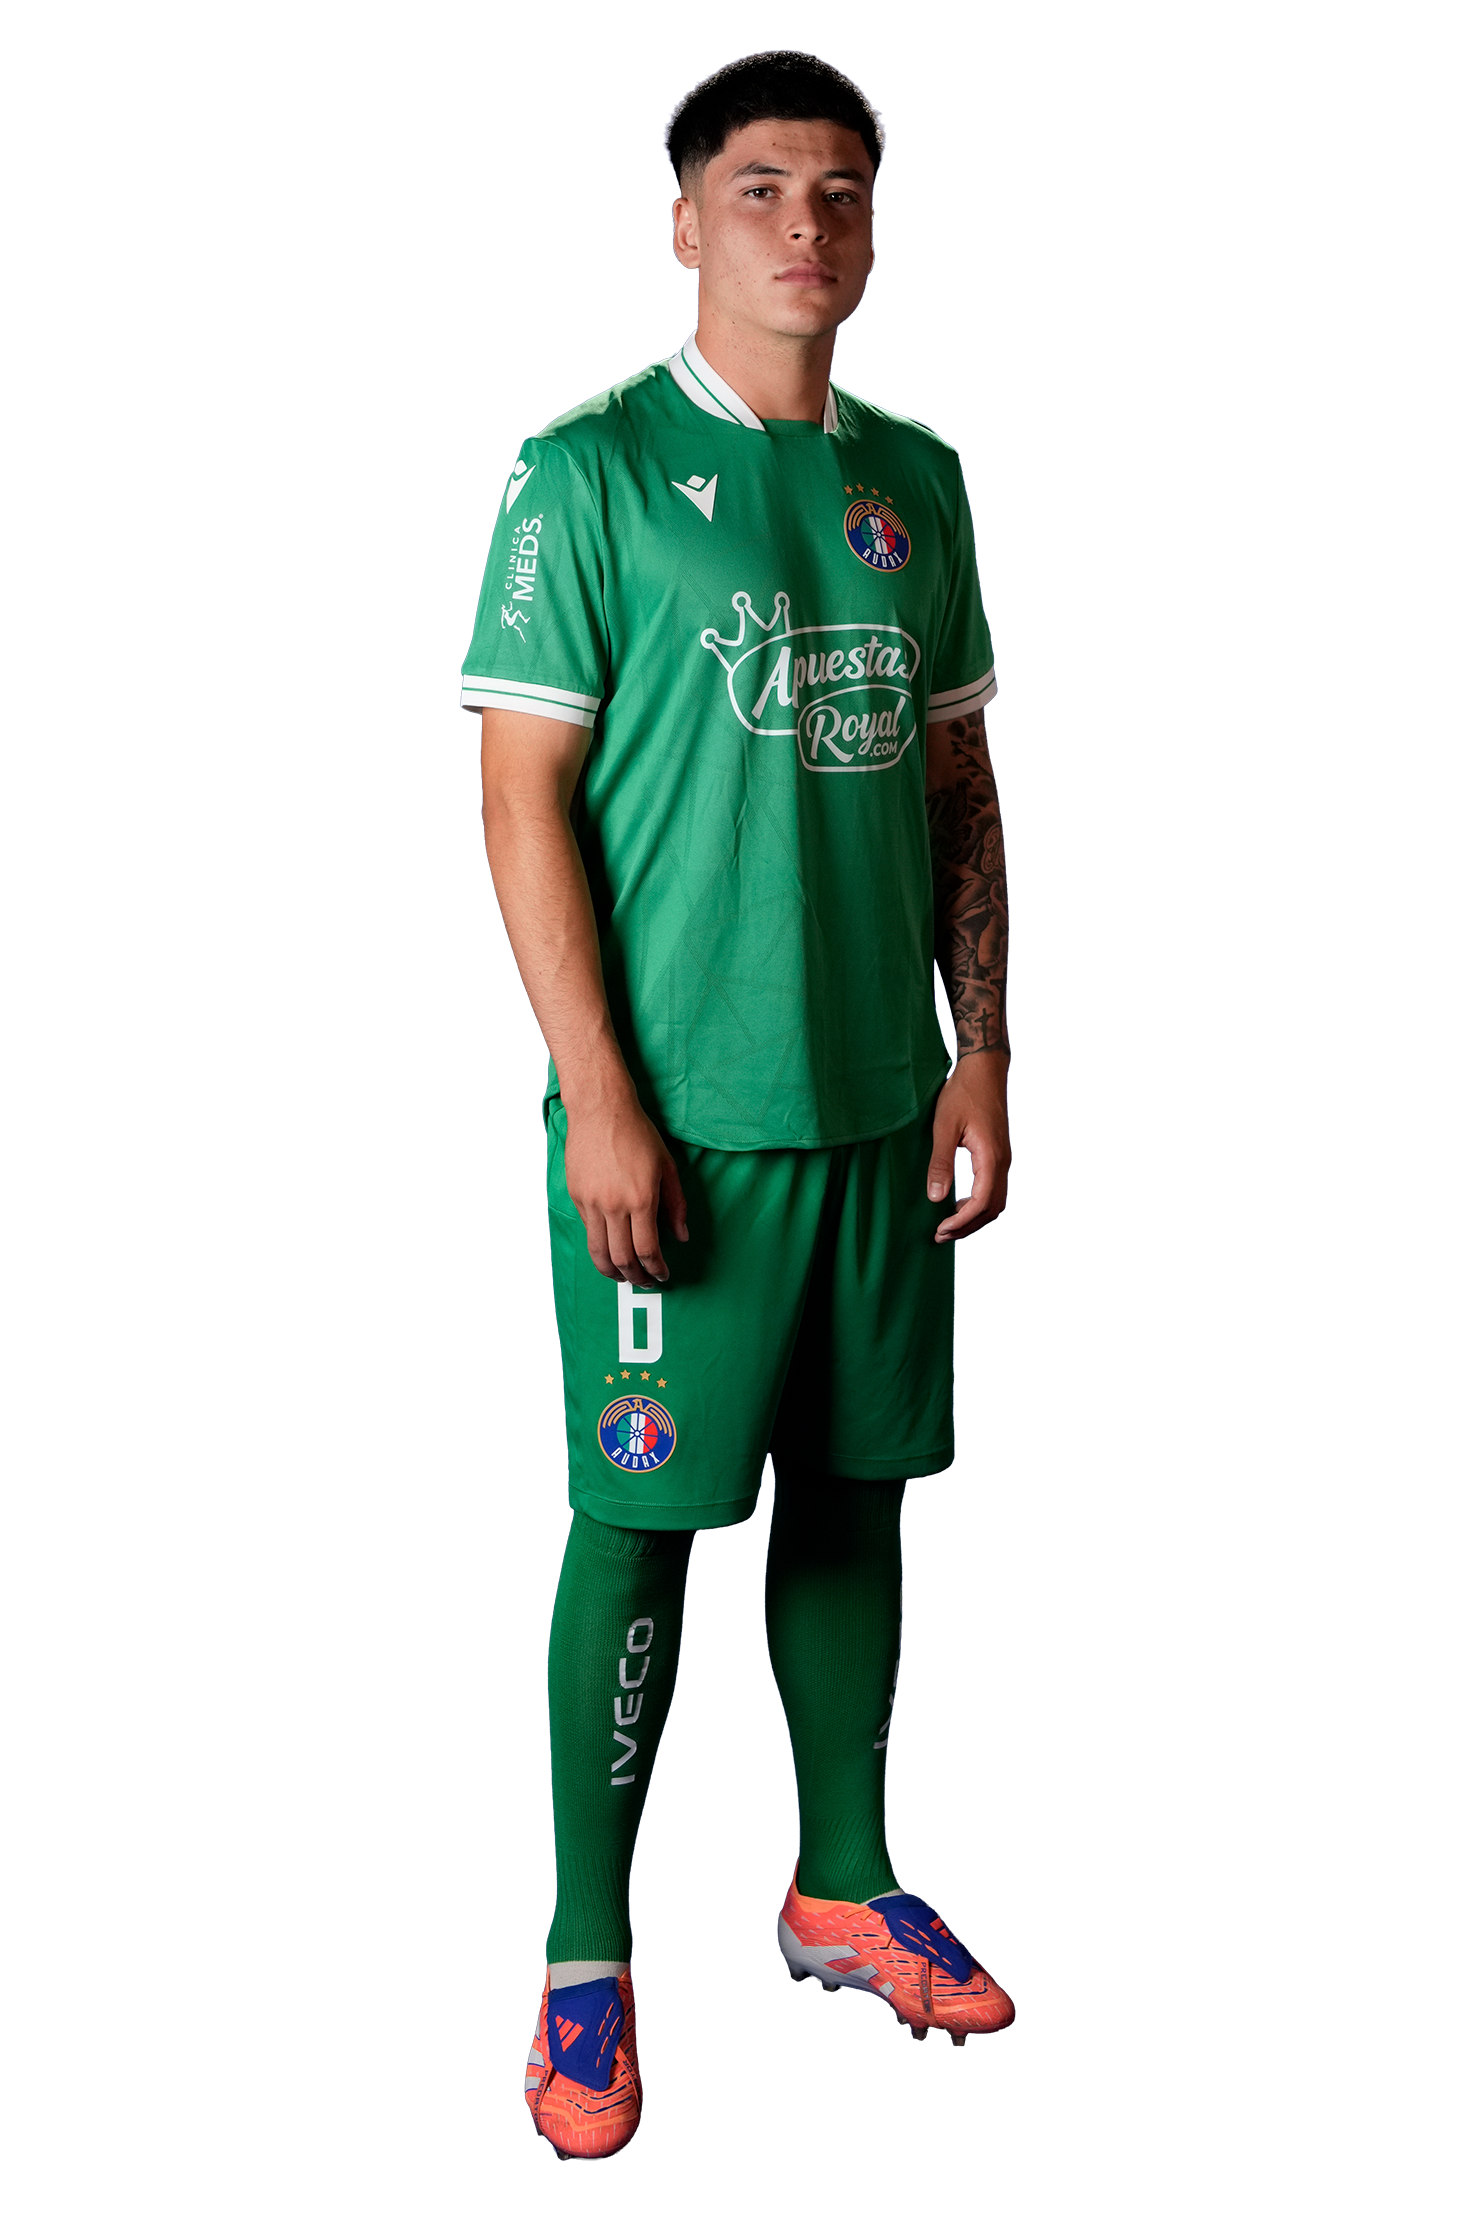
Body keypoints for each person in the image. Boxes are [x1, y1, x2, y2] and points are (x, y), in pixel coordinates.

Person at [465, 51, 1013, 2160]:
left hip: (879, 1107)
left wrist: (981, 1043)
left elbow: (958, 782)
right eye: (763, 187)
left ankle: (840, 1884)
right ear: (682, 226)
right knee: (635, 1524)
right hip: (676, 1128)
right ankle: (585, 1961)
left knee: (863, 1495)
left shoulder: (917, 482)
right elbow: (521, 795)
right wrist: (597, 1095)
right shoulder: (586, 473)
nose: (808, 224)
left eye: (843, 192)